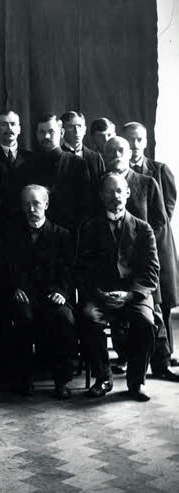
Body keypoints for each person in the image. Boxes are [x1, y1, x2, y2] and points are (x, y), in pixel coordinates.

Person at [102, 137, 179, 381]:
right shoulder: (101, 184)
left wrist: (142, 248)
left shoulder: (147, 182)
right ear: (104, 155)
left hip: (143, 259)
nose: (116, 155)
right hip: (114, 262)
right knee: (117, 311)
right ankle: (127, 359)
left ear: (130, 153)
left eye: (121, 150)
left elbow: (159, 220)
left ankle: (161, 364)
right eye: (111, 151)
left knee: (153, 312)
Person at [76, 173, 159, 401]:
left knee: (146, 322)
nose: (116, 196)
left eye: (120, 191)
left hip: (133, 295)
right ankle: (103, 378)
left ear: (128, 193)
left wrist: (129, 295)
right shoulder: (89, 227)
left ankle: (136, 382)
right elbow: (82, 269)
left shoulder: (143, 229)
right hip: (101, 295)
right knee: (88, 316)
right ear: (101, 196)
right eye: (110, 192)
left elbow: (151, 271)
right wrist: (99, 294)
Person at [0, 185, 77, 398]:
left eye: (36, 203)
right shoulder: (12, 235)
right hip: (25, 294)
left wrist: (62, 292)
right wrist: (14, 287)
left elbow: (69, 270)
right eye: (26, 204)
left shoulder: (62, 235)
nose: (31, 209)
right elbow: (6, 267)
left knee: (64, 317)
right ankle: (24, 378)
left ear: (46, 204)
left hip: (53, 294)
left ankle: (62, 380)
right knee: (21, 317)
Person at [123, 122, 178, 365]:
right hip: (130, 246)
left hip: (157, 242)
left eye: (139, 140)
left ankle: (165, 355)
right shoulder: (118, 170)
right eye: (130, 140)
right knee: (140, 301)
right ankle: (135, 355)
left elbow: (166, 209)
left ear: (145, 142)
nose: (135, 145)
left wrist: (148, 236)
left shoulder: (158, 170)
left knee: (161, 300)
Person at [15, 113, 92, 231]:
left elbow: (84, 205)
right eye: (42, 132)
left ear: (61, 133)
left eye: (51, 132)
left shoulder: (77, 164)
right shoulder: (26, 167)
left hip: (69, 232)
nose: (46, 136)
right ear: (36, 134)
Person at [61, 111, 105, 183]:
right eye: (71, 127)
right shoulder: (58, 155)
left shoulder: (96, 158)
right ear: (62, 131)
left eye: (79, 126)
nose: (76, 131)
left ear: (85, 130)